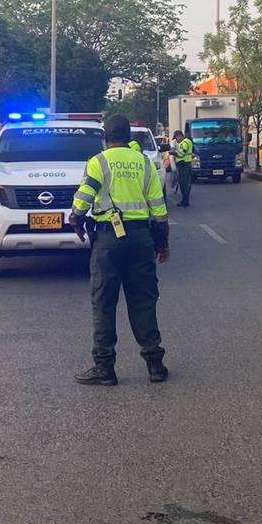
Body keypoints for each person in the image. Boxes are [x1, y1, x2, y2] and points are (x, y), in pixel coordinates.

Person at [69, 114, 170, 386]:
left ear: (106, 136)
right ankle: (155, 365)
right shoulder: (145, 163)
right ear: (129, 137)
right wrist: (162, 243)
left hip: (108, 241)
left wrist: (76, 219)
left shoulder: (99, 161)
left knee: (103, 301)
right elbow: (159, 209)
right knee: (143, 300)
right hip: (140, 239)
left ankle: (104, 367)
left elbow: (84, 197)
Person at [171, 128, 194, 207]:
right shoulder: (188, 142)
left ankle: (185, 200)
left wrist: (173, 153)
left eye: (176, 137)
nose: (176, 139)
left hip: (183, 164)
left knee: (183, 183)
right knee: (185, 183)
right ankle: (185, 200)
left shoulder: (184, 143)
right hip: (186, 163)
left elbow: (181, 154)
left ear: (180, 136)